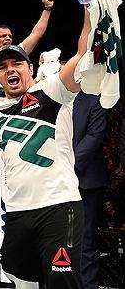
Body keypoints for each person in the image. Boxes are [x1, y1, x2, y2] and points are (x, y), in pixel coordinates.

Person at [0, 0, 106, 288]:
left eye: (17, 63)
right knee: (21, 279)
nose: (10, 70)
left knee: (62, 281)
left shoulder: (53, 91)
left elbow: (84, 50)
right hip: (18, 212)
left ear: (30, 68)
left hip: (59, 207)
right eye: (3, 67)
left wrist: (88, 4)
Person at [72, 92, 108, 289]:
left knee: (86, 240)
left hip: (86, 180)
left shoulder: (93, 100)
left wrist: (68, 164)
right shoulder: (47, 99)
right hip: (54, 181)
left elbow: (95, 135)